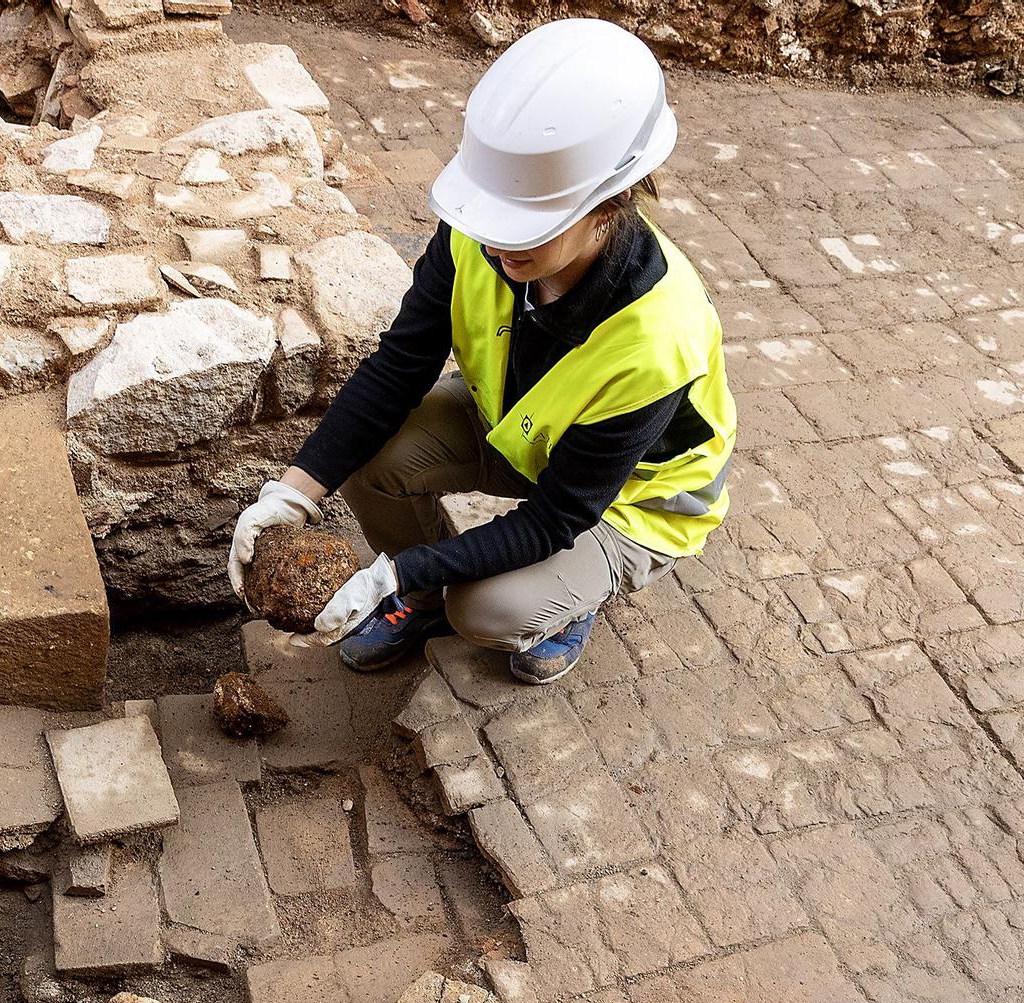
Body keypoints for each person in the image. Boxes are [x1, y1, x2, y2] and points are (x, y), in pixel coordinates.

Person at [226, 18, 735, 685]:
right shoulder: (484, 230)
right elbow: (397, 369)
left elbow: (557, 515)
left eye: (527, 228)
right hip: (526, 430)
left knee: (488, 610)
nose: (497, 243)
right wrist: (290, 492)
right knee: (370, 458)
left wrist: (397, 568)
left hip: (626, 498)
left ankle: (565, 600)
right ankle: (421, 593)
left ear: (611, 203)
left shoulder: (656, 338)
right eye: (494, 219)